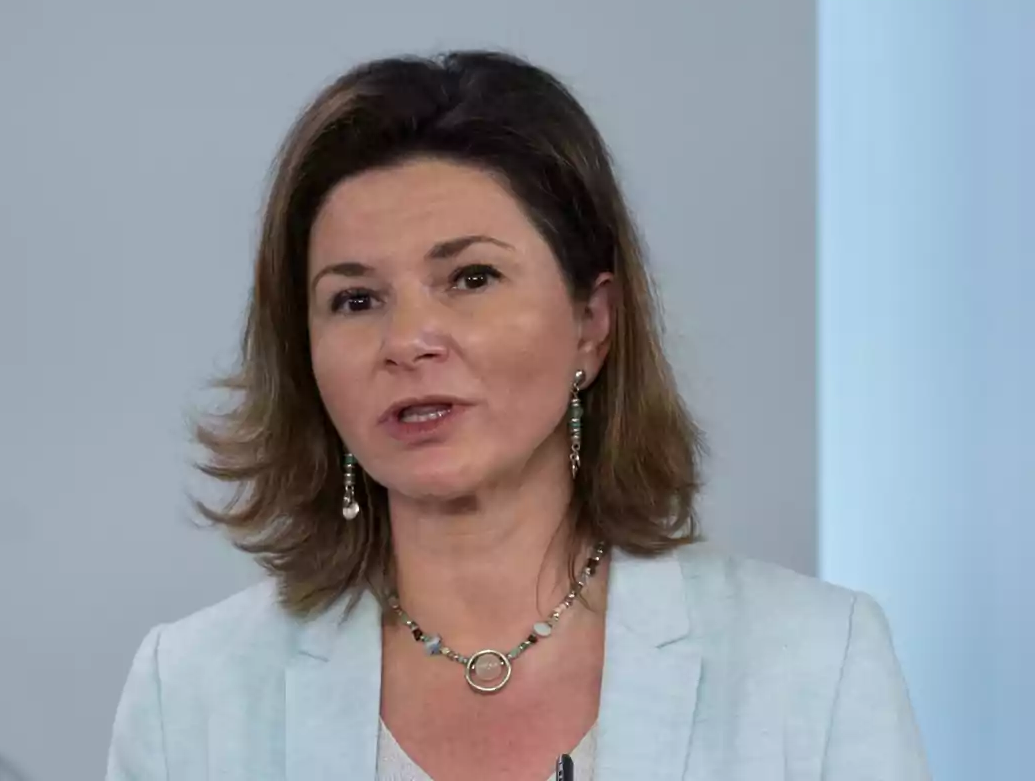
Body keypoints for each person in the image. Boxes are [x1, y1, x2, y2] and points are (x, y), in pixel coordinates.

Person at [105, 50, 928, 781]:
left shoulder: (815, 661)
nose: (408, 341)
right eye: (355, 299)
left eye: (470, 279)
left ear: (592, 324)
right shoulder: (193, 693)